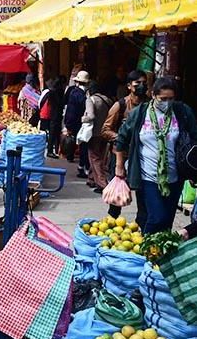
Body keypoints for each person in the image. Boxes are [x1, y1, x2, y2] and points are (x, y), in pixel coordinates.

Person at [115, 78, 197, 234]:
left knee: (166, 220)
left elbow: (194, 138)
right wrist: (119, 166)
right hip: (148, 177)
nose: (167, 103)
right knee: (156, 217)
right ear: (153, 95)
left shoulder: (182, 112)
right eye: (163, 99)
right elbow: (121, 139)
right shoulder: (139, 114)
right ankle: (145, 252)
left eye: (171, 99)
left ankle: (161, 254)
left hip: (174, 177)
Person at [101, 70, 149, 221]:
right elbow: (105, 130)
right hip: (121, 155)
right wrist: (122, 138)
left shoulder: (150, 105)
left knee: (143, 194)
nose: (142, 86)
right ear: (129, 86)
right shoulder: (120, 105)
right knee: (117, 197)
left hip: (143, 156)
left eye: (144, 83)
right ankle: (112, 224)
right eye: (137, 84)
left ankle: (141, 225)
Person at [82, 82, 114, 193]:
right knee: (100, 156)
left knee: (95, 158)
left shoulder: (91, 100)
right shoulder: (107, 100)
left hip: (94, 133)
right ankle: (91, 179)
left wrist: (83, 119)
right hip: (105, 133)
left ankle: (103, 184)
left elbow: (91, 116)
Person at [64, 70, 91, 177]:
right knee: (84, 145)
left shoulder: (74, 92)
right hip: (79, 123)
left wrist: (67, 124)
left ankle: (82, 166)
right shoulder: (80, 95)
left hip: (75, 122)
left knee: (82, 145)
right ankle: (82, 167)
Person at [40, 77, 64, 158]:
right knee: (54, 133)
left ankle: (54, 150)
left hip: (52, 115)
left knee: (53, 133)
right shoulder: (56, 92)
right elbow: (60, 103)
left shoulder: (50, 92)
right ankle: (52, 150)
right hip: (55, 115)